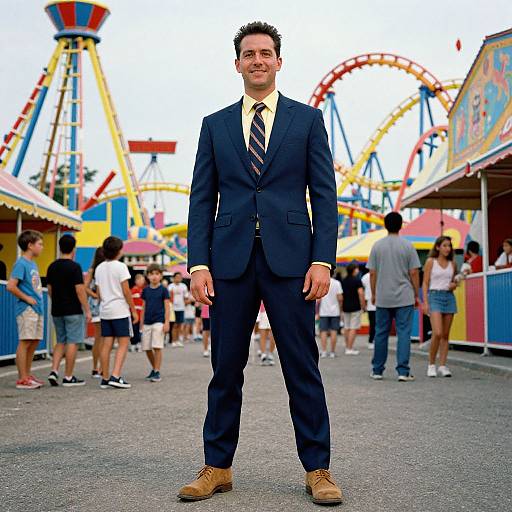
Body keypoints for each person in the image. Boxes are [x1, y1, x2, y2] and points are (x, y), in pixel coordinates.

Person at [181, 22, 341, 505]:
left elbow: (325, 196)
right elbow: (200, 198)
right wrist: (197, 265)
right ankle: (217, 466)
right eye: (248, 54)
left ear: (278, 61)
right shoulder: (215, 124)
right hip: (228, 263)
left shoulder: (307, 121)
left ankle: (319, 470)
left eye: (265, 53)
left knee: (301, 366)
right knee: (225, 368)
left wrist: (322, 260)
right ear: (237, 64)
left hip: (292, 261)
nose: (257, 60)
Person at [367, 212, 420, 382]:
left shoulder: (377, 246)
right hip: (405, 296)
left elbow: (373, 273)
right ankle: (403, 371)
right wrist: (415, 293)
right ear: (401, 225)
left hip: (383, 296)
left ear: (385, 225)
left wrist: (374, 293)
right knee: (404, 333)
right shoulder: (408, 246)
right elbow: (413, 272)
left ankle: (377, 370)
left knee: (381, 333)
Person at [46, 235, 92, 387]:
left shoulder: (52, 266)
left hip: (57, 309)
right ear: (74, 249)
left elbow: (50, 289)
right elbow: (79, 290)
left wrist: (56, 301)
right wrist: (87, 310)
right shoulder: (75, 267)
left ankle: (54, 370)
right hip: (73, 309)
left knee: (60, 341)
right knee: (72, 342)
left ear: (60, 247)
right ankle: (68, 376)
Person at [94, 236, 138, 389]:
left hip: (104, 310)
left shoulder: (99, 268)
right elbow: (126, 291)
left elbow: (98, 294)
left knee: (106, 343)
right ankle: (116, 375)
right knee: (123, 343)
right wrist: (133, 310)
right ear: (119, 251)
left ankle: (105, 377)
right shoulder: (120, 267)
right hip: (119, 309)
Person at [7, 230, 45, 390]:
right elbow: (11, 285)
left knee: (34, 341)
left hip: (37, 308)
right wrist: (27, 298)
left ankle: (27, 375)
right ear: (30, 245)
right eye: (40, 244)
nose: (42, 247)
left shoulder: (32, 264)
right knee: (25, 341)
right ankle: (22, 378)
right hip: (27, 309)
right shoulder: (21, 263)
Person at [423, 236, 458, 378]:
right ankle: (431, 364)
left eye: (449, 246)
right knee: (437, 332)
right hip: (434, 296)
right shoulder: (431, 262)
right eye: (444, 245)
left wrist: (454, 285)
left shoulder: (453, 264)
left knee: (445, 335)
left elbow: (453, 281)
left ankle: (443, 365)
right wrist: (425, 303)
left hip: (448, 297)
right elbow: (425, 283)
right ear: (437, 247)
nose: (447, 248)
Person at [141, 264, 170, 382]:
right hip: (147, 322)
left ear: (161, 276)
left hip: (159, 321)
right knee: (147, 348)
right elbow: (143, 307)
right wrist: (141, 323)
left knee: (157, 346)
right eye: (151, 274)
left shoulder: (163, 290)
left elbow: (167, 307)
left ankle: (157, 371)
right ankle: (154, 368)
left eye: (157, 274)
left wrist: (167, 322)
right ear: (147, 276)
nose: (154, 276)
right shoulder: (145, 290)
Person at [84, 247, 105, 378]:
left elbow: (84, 287)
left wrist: (93, 295)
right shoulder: (103, 269)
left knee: (98, 337)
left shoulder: (92, 269)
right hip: (102, 304)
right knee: (103, 337)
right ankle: (102, 367)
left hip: (95, 304)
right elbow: (85, 287)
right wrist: (96, 295)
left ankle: (95, 367)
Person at [340, 263, 365, 356]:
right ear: (354, 270)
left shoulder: (343, 280)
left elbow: (341, 295)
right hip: (355, 307)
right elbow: (361, 293)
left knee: (347, 327)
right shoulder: (357, 280)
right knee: (353, 328)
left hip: (345, 306)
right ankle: (350, 348)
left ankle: (347, 346)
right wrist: (363, 305)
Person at [318, 270, 342, 358]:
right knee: (334, 331)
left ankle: (324, 351)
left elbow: (318, 299)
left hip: (323, 311)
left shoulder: (322, 282)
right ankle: (332, 352)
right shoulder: (337, 283)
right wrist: (340, 308)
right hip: (335, 311)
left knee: (323, 331)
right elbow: (340, 298)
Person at [168, 272, 188, 347]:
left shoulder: (184, 286)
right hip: (173, 309)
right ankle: (173, 340)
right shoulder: (170, 286)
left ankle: (178, 340)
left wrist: (186, 302)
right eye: (177, 277)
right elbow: (168, 298)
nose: (178, 278)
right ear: (174, 278)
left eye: (180, 277)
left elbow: (186, 297)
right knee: (174, 325)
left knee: (180, 325)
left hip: (181, 308)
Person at [130, 274, 146, 352]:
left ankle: (139, 343)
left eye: (143, 280)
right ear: (136, 281)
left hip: (141, 313)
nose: (142, 282)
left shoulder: (143, 290)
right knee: (134, 329)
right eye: (140, 280)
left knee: (140, 329)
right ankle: (133, 344)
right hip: (134, 313)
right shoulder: (133, 290)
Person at [361, 270, 376, 350]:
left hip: (370, 303)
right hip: (375, 304)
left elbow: (362, 289)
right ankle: (372, 340)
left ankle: (372, 340)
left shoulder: (364, 277)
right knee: (377, 325)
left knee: (373, 324)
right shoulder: (367, 276)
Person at [258, 301, 276, 366]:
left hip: (272, 311)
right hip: (263, 311)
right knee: (263, 335)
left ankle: (269, 355)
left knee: (272, 336)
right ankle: (264, 355)